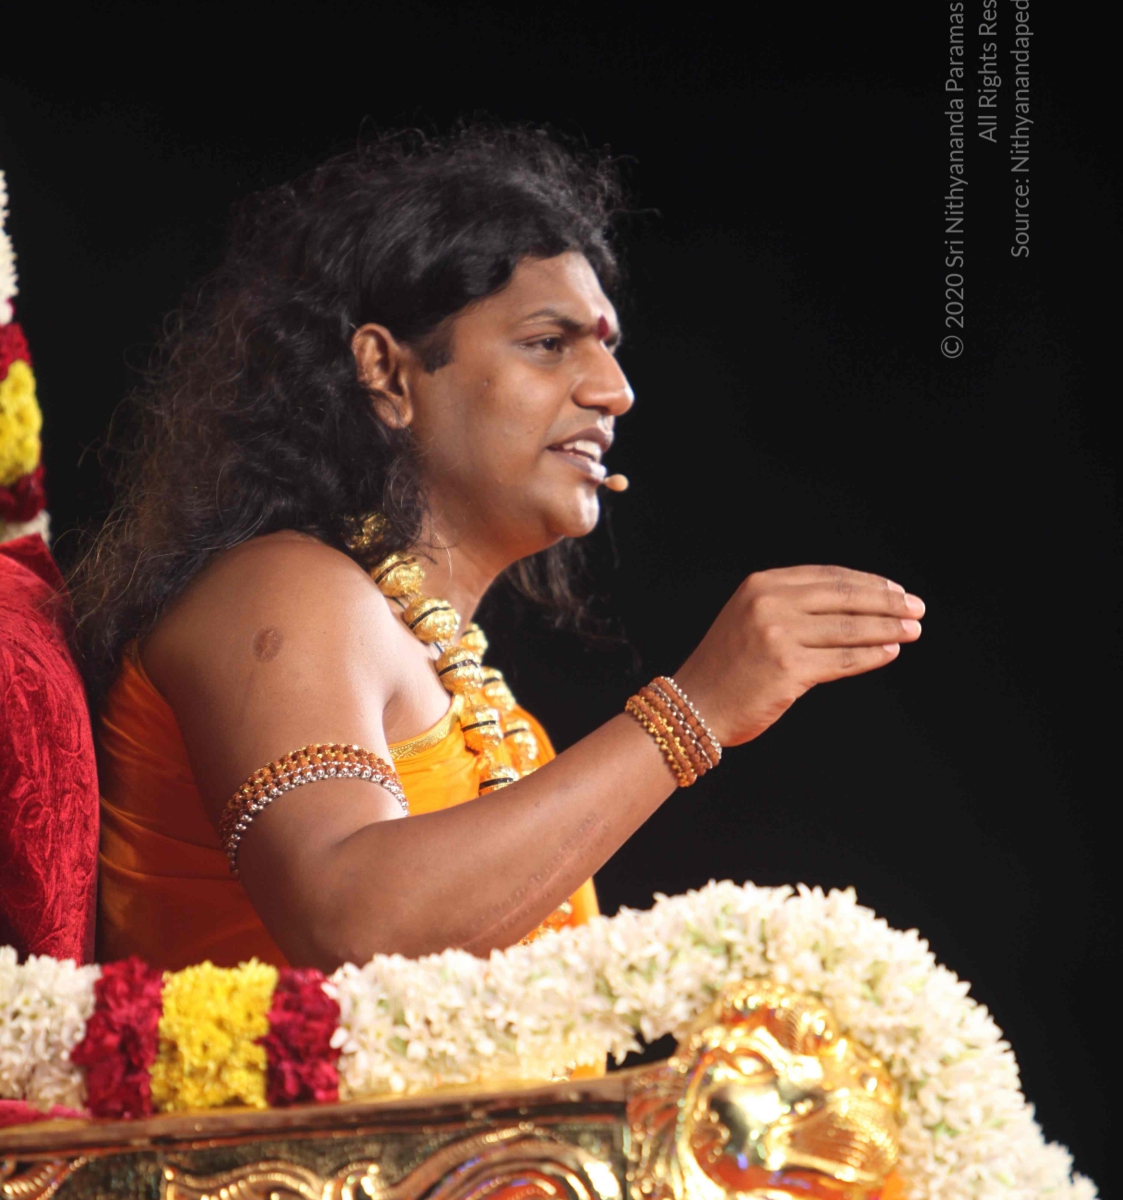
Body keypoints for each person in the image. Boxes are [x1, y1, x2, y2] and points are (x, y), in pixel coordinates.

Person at [76, 126, 924, 973]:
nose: (615, 391)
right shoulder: (282, 590)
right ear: (387, 373)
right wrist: (690, 713)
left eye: (608, 347)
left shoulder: (499, 722)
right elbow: (347, 919)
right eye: (549, 344)